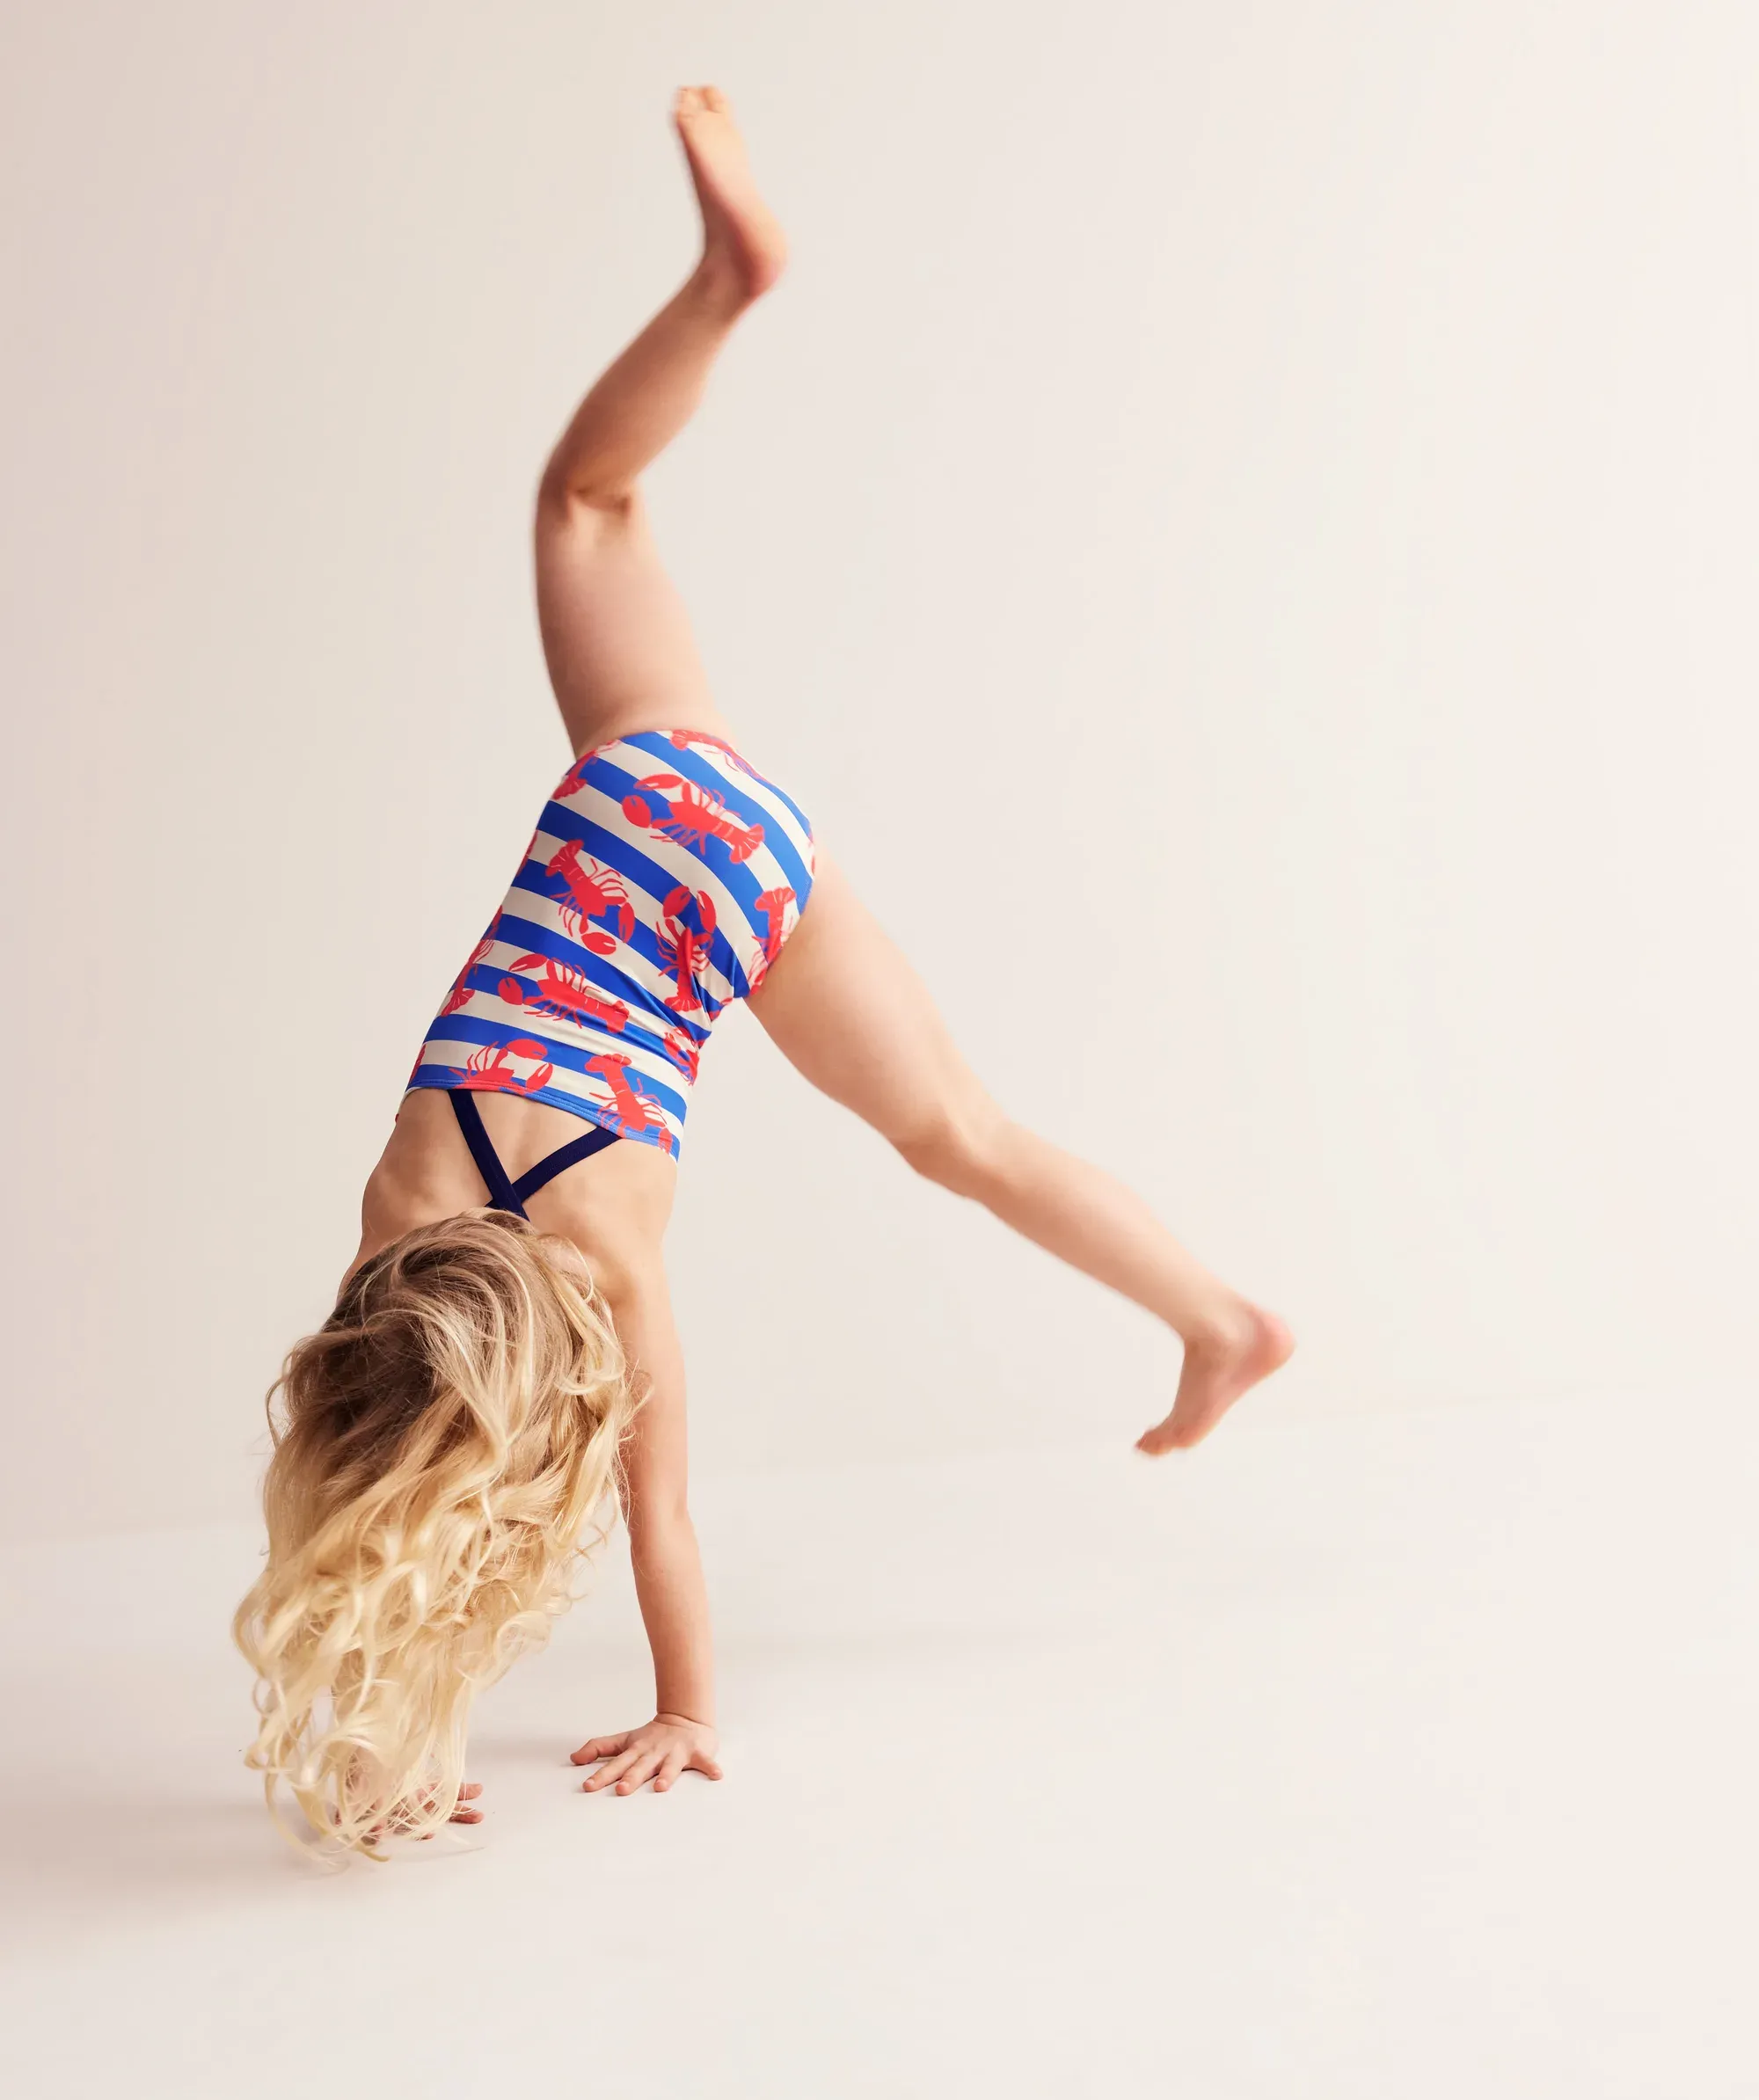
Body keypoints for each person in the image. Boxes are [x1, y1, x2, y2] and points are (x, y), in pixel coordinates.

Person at [234, 88, 1294, 1856]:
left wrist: (680, 1710)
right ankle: (723, 286)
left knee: (959, 1133)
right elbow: (404, 1424)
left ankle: (1225, 1323)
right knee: (586, 502)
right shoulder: (398, 1200)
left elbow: (645, 1516)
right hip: (655, 804)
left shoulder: (611, 1271)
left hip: (730, 901)